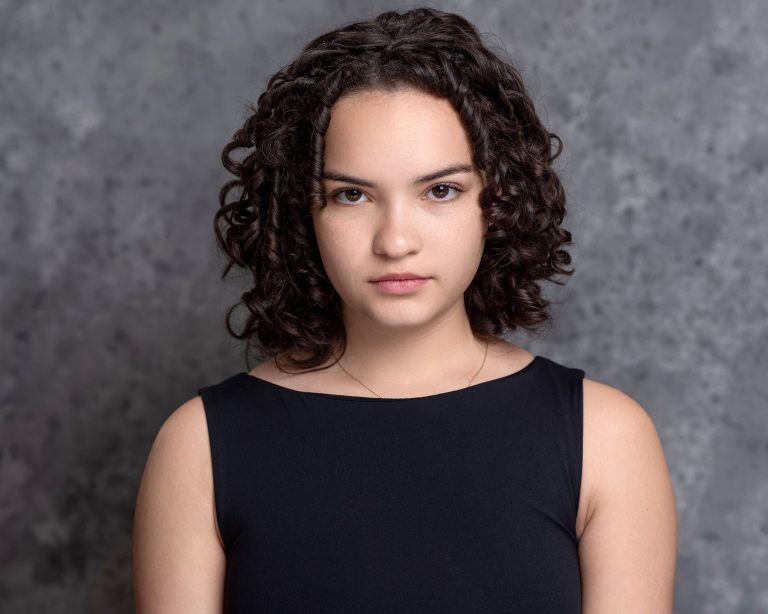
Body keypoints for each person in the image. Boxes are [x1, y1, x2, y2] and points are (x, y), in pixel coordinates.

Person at [132, 7, 678, 613]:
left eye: (439, 190)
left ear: (496, 202)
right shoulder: (199, 446)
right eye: (351, 195)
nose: (395, 241)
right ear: (300, 214)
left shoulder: (606, 438)